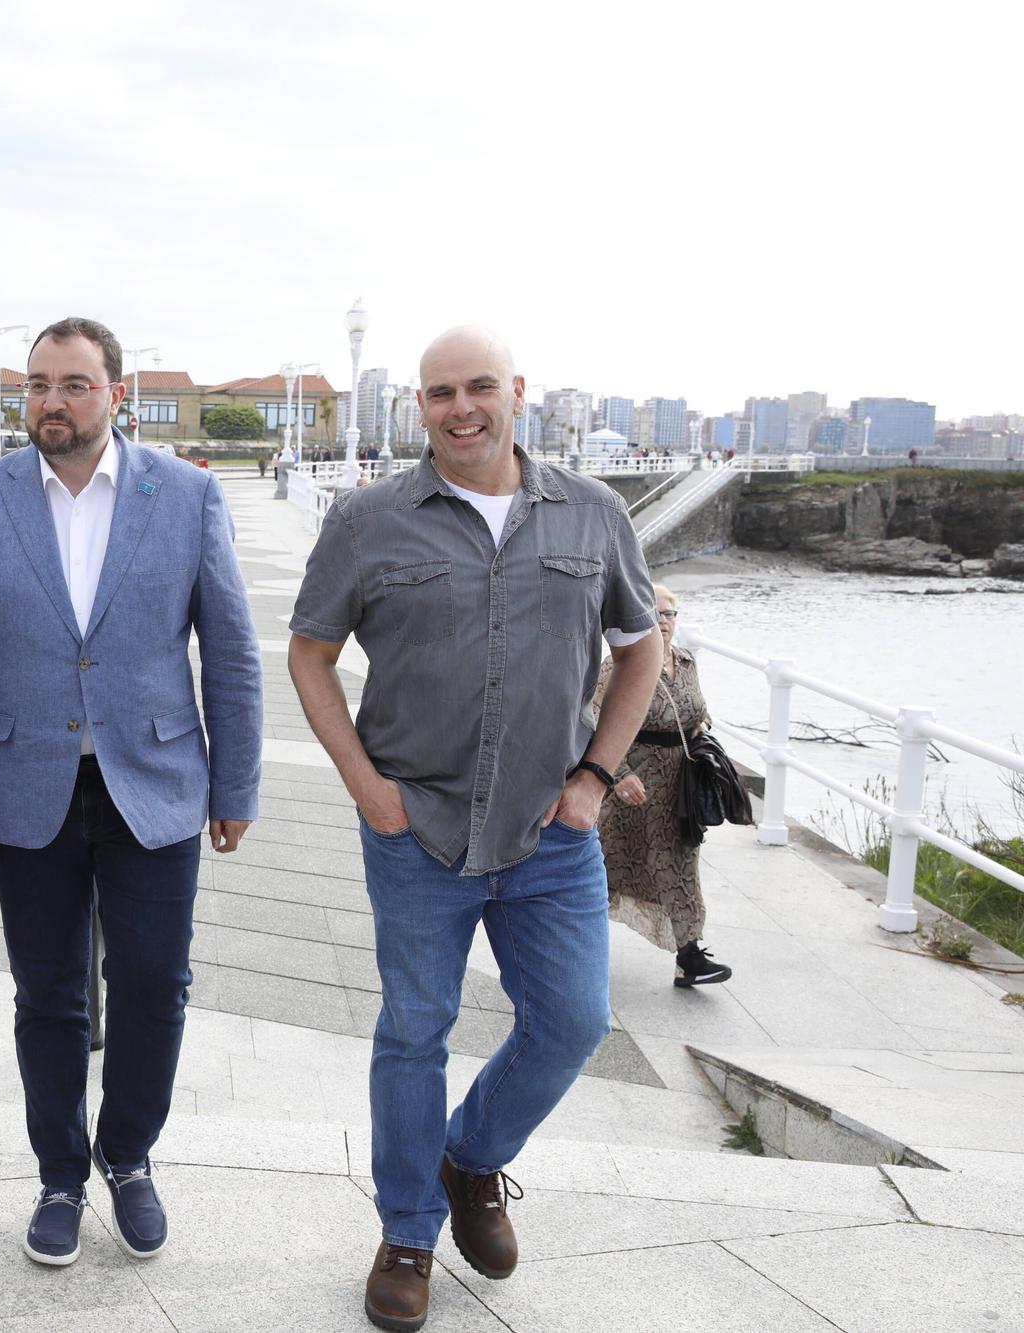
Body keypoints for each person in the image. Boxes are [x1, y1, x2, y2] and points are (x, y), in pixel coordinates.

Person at [287, 326, 663, 1332]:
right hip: (417, 828)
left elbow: (639, 650)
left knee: (574, 1020)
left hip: (551, 832)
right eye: (440, 391)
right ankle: (406, 1231)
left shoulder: (589, 514)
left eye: (479, 387)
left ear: (516, 393)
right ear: (419, 406)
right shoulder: (368, 520)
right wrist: (367, 788)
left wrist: (594, 777)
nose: (461, 407)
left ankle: (471, 1158)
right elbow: (309, 656)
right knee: (414, 1030)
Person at [0, 316, 263, 1269]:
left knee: (156, 986)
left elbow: (228, 649)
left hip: (156, 781)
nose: (50, 401)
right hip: (22, 788)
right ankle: (61, 1172)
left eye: (72, 383)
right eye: (37, 384)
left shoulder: (185, 495)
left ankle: (130, 1156)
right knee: (50, 994)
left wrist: (236, 780)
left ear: (116, 395)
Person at [595, 583, 732, 987]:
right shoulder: (617, 666)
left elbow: (699, 713)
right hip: (631, 782)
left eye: (670, 614)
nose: (663, 621)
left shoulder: (686, 663)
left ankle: (689, 956)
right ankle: (575, 947)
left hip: (678, 784)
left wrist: (703, 739)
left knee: (681, 865)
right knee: (609, 867)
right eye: (654, 613)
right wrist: (617, 775)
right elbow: (594, 720)